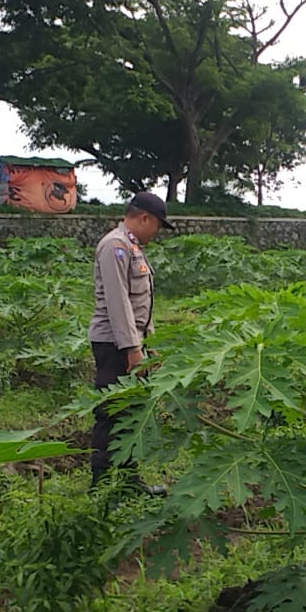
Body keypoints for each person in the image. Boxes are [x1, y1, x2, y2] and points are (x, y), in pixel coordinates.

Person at [88, 191, 173, 491]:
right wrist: (132, 349)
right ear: (144, 218)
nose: (157, 232)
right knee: (111, 411)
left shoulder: (131, 247)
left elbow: (140, 306)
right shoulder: (115, 246)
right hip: (115, 344)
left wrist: (150, 344)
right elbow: (118, 302)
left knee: (130, 413)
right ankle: (101, 484)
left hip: (131, 342)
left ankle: (127, 482)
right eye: (157, 226)